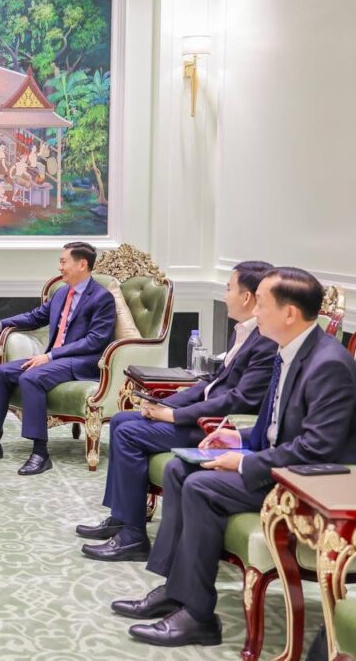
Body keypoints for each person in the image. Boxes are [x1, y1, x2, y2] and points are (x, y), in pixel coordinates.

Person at [114, 267, 356, 648]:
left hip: (307, 482)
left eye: (262, 304)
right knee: (178, 468)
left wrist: (243, 462)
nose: (255, 312)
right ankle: (177, 591)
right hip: (279, 462)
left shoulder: (329, 364)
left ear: (289, 313)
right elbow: (273, 427)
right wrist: (236, 438)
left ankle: (198, 617)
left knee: (201, 486)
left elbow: (316, 448)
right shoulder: (288, 350)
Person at [78, 261, 277, 562]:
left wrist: (173, 416)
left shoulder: (266, 341)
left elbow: (239, 400)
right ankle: (121, 517)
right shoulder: (243, 331)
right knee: (120, 420)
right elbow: (213, 382)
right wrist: (170, 402)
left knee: (129, 432)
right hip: (203, 414)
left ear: (247, 297)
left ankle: (133, 538)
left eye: (229, 289)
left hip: (219, 426)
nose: (225, 295)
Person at [0, 242, 116, 474]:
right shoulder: (62, 293)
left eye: (64, 261)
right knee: (0, 373)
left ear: (82, 264)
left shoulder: (102, 298)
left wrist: (50, 355)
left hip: (83, 362)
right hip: (56, 359)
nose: (60, 267)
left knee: (32, 377)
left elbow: (95, 341)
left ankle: (40, 453)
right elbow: (35, 317)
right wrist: (1, 323)